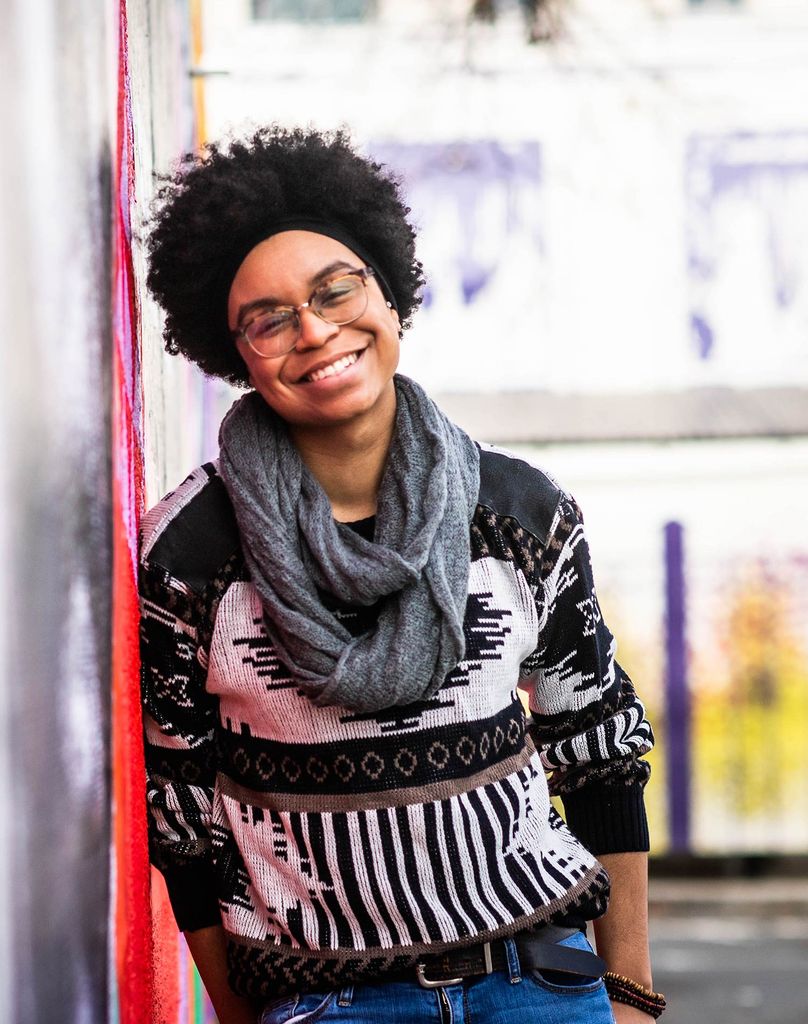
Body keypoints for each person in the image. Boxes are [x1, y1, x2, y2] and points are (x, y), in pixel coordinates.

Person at [140, 126, 666, 1024]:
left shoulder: (518, 512)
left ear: (387, 294)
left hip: (537, 982)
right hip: (326, 1002)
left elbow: (600, 748)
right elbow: (182, 815)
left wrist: (627, 993)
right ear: (236, 352)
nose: (314, 331)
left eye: (334, 290)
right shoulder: (192, 553)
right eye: (268, 319)